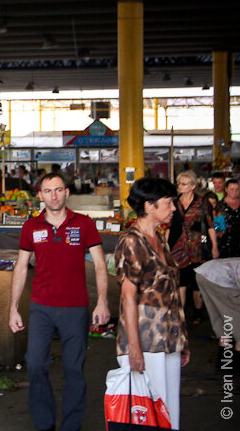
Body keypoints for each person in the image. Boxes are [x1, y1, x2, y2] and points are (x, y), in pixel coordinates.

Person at [9, 172, 110, 431]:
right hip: (41, 307)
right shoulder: (31, 227)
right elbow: (21, 267)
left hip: (75, 307)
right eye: (48, 191)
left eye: (58, 190)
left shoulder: (84, 224)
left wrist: (102, 302)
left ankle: (70, 426)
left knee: (74, 370)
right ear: (40, 195)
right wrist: (13, 308)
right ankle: (45, 424)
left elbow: (100, 265)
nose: (53, 195)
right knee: (35, 363)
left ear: (67, 193)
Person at [115, 177, 189, 429]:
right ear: (149, 206)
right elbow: (128, 296)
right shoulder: (132, 241)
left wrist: (182, 339)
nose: (173, 208)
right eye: (168, 203)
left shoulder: (160, 239)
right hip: (145, 337)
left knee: (169, 408)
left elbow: (170, 292)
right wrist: (133, 347)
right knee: (148, 410)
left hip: (168, 335)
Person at [169, 171, 219, 316]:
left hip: (198, 247)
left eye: (184, 184)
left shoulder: (203, 202)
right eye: (179, 183)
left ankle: (198, 312)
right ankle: (180, 315)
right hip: (179, 247)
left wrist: (214, 246)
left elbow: (210, 225)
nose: (180, 186)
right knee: (181, 281)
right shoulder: (174, 203)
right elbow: (168, 226)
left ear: (192, 186)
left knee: (198, 282)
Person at [219, 178, 240, 259]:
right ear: (226, 190)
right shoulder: (220, 205)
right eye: (232, 189)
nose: (234, 192)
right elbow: (217, 226)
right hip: (225, 244)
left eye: (237, 189)